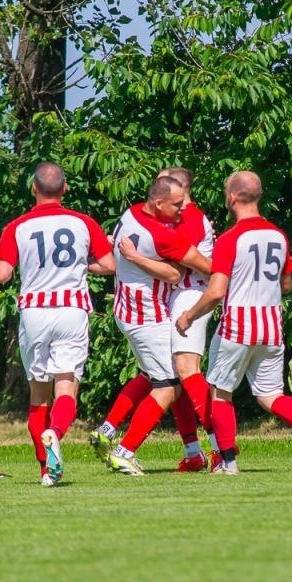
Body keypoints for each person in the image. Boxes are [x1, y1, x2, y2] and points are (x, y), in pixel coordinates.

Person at [174, 171, 292, 474]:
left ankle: (228, 462)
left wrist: (188, 316)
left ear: (231, 198)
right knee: (271, 394)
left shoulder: (231, 238)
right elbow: (286, 285)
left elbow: (216, 292)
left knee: (220, 393)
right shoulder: (278, 235)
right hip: (271, 325)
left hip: (238, 325)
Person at [0, 163, 116, 487]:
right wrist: (79, 264)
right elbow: (109, 264)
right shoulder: (83, 222)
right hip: (71, 309)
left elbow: (2, 274)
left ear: (33, 188)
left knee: (38, 397)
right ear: (65, 189)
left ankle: (45, 471)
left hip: (34, 312)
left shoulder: (17, 226)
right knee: (67, 387)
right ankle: (56, 433)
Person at [89, 174, 210, 476]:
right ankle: (124, 451)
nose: (183, 208)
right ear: (159, 203)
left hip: (127, 308)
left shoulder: (131, 214)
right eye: (177, 204)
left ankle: (109, 430)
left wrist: (131, 256)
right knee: (167, 386)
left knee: (155, 377)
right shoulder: (161, 234)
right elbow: (180, 273)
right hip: (147, 315)